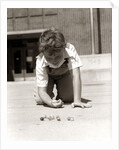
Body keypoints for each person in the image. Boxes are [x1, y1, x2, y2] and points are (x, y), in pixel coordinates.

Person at [34, 28, 91, 108]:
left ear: (63, 48)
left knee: (69, 98)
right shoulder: (40, 60)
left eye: (57, 57)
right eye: (49, 58)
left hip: (64, 74)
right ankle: (50, 96)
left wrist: (77, 100)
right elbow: (42, 91)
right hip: (48, 77)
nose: (54, 60)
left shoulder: (69, 49)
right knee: (40, 99)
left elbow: (76, 75)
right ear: (43, 53)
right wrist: (50, 102)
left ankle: (62, 94)